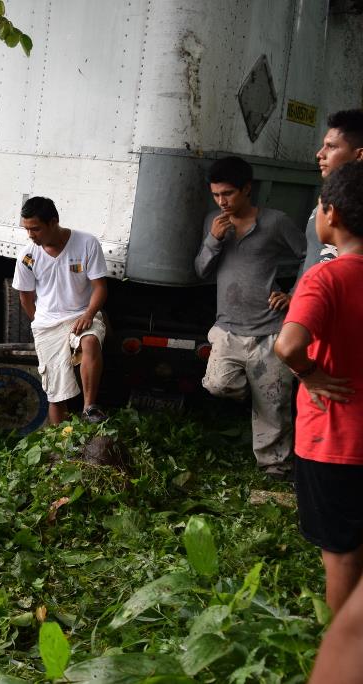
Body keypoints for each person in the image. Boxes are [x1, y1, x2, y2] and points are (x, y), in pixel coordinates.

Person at [274, 161, 363, 616]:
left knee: (342, 553)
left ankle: (342, 654)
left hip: (336, 441)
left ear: (333, 214)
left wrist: (310, 374)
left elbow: (288, 345)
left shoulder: (325, 278)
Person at [194, 156, 305, 479]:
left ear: (247, 189)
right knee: (218, 384)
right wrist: (213, 239)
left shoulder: (275, 222)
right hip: (227, 328)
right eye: (216, 195)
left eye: (227, 193)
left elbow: (309, 256)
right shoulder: (213, 222)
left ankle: (275, 468)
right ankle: (254, 393)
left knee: (275, 405)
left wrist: (294, 294)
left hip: (270, 329)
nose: (222, 201)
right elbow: (201, 270)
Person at [11, 196, 109, 425]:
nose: (30, 235)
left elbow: (100, 287)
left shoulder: (87, 243)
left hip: (82, 314)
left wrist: (88, 314)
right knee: (56, 395)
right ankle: (59, 448)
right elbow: (25, 296)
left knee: (91, 340)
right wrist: (41, 322)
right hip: (48, 323)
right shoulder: (27, 256)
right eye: (27, 229)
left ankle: (89, 409)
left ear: (53, 221)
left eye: (35, 229)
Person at [297, 109, 363, 280]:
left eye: (331, 146)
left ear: (360, 155)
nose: (320, 154)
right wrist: (294, 294)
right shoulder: (325, 202)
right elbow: (310, 258)